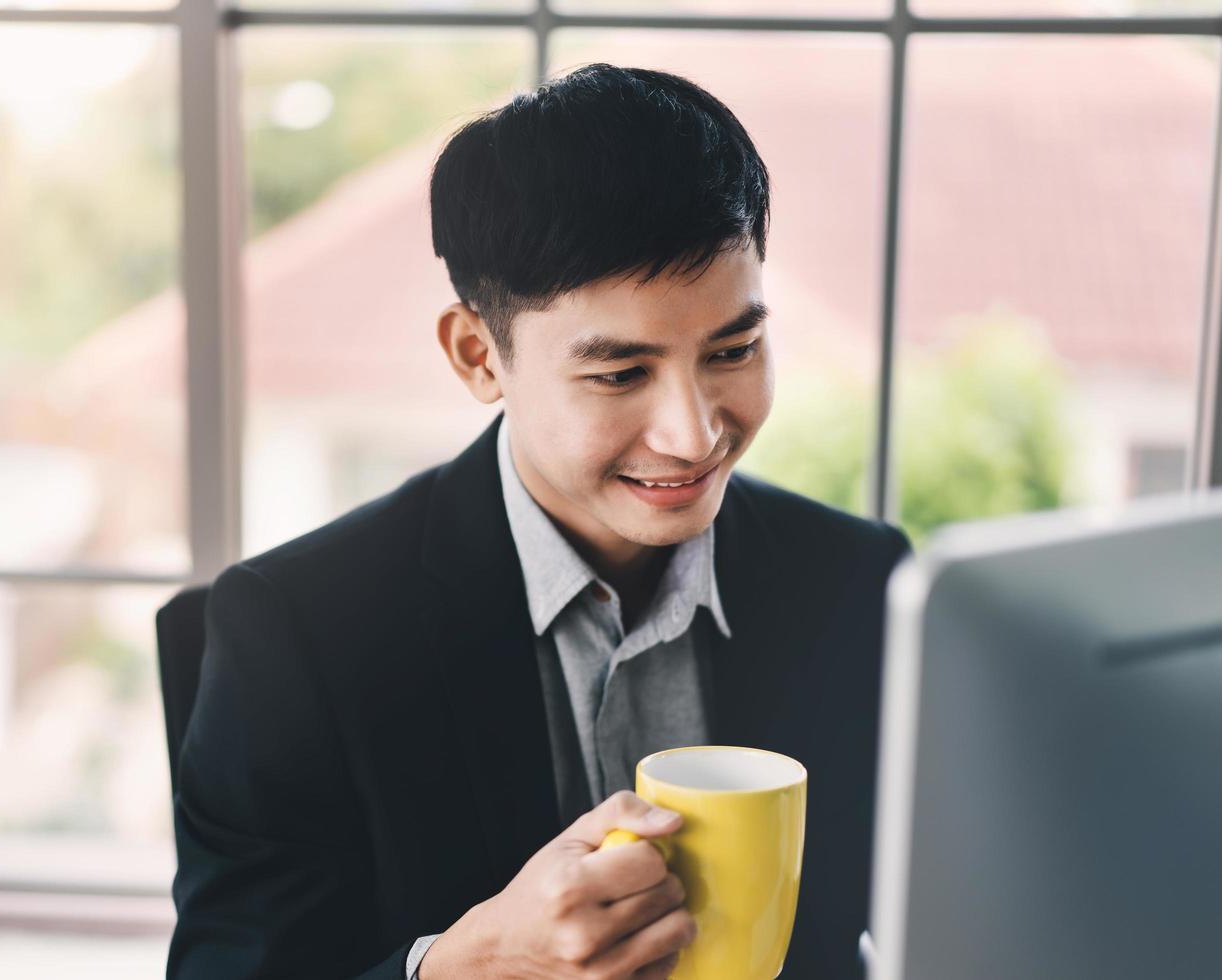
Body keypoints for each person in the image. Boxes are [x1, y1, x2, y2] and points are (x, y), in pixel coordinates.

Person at [167, 63, 911, 980]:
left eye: (734, 349)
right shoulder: (300, 632)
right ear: (479, 354)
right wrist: (464, 965)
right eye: (619, 374)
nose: (693, 433)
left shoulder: (864, 582)